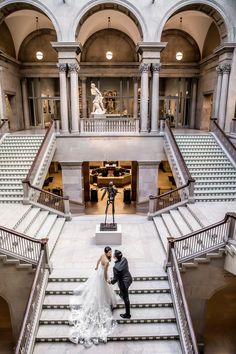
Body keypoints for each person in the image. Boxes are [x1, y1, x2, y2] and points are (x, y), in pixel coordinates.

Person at [69, 246, 117, 347]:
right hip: (102, 276)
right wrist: (106, 280)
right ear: (106, 252)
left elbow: (99, 261)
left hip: (98, 274)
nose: (110, 253)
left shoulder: (102, 255)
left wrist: (96, 267)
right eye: (109, 252)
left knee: (96, 290)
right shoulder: (107, 262)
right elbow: (105, 272)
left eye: (111, 252)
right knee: (102, 290)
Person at [108, 249, 132, 319]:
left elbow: (115, 279)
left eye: (114, 255)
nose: (112, 255)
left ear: (115, 257)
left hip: (123, 284)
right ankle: (121, 294)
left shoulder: (115, 268)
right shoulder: (124, 259)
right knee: (123, 292)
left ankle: (128, 314)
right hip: (128, 279)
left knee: (126, 298)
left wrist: (110, 282)